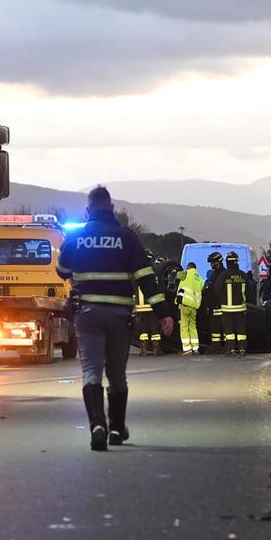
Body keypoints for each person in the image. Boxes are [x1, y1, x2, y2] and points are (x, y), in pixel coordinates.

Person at [57, 186, 173, 451]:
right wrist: (164, 315)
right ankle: (117, 428)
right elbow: (146, 278)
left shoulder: (77, 237)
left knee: (91, 371)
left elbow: (62, 271)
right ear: (111, 208)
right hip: (120, 316)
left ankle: (97, 425)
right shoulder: (127, 238)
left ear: (88, 210)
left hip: (87, 314)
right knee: (117, 374)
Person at [134, 251, 162, 356]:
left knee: (143, 327)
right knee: (154, 326)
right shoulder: (156, 271)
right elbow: (160, 288)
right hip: (154, 304)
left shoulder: (138, 271)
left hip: (141, 305)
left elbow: (133, 287)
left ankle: (144, 349)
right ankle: (156, 349)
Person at [223, 251, 250, 355]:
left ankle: (231, 349)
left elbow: (217, 288)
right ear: (237, 262)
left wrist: (222, 298)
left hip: (227, 308)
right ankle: (242, 349)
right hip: (240, 307)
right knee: (241, 328)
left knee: (229, 329)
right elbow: (249, 290)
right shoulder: (243, 275)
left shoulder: (224, 275)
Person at [202, 252, 229, 354]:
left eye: (212, 262)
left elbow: (215, 289)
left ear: (217, 262)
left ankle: (222, 347)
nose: (211, 264)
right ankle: (217, 346)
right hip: (215, 305)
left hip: (219, 305)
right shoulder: (216, 273)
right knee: (215, 328)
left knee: (220, 327)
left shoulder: (221, 274)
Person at [176, 262, 204, 355]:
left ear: (189, 267)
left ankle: (187, 349)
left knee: (184, 326)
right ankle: (195, 348)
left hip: (185, 304)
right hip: (194, 306)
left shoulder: (186, 273)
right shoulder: (199, 279)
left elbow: (176, 276)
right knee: (193, 327)